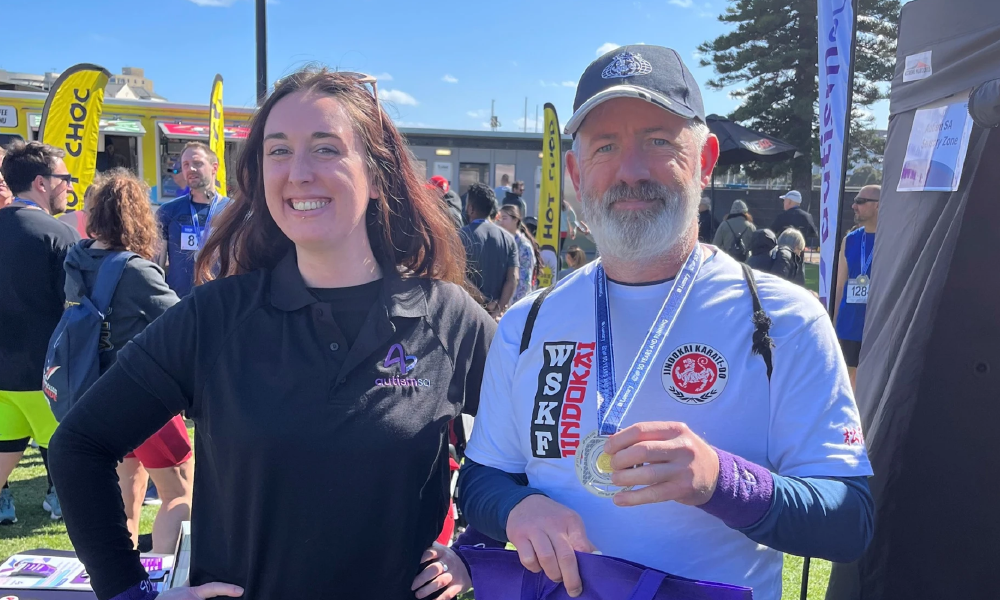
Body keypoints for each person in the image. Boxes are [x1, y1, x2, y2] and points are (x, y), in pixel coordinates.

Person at [49, 68, 491, 600]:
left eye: (326, 148)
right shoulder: (215, 318)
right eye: (278, 152)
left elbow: (534, 449)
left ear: (377, 177)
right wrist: (128, 592)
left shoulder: (447, 317)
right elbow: (79, 446)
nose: (298, 172)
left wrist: (478, 549)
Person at [457, 45, 873, 600]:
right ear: (577, 174)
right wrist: (518, 506)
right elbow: (483, 479)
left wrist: (722, 482)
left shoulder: (783, 319)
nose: (631, 171)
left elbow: (851, 521)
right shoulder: (527, 322)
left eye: (658, 141)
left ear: (705, 161)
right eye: (606, 147)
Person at [61, 169, 194, 554]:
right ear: (138, 218)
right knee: (178, 492)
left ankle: (125, 583)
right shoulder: (136, 270)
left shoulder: (76, 260)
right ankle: (167, 574)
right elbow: (183, 325)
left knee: (126, 496)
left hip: (94, 396)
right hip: (142, 394)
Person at [0, 141, 79, 524]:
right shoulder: (57, 234)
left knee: (5, 448)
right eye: (64, 178)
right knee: (68, 452)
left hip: (4, 374)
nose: (68, 185)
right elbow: (77, 304)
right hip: (45, 372)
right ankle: (65, 503)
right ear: (41, 183)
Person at [154, 142, 230, 298]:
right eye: (186, 165)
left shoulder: (233, 211)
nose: (191, 169)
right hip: (179, 304)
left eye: (197, 163)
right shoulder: (168, 211)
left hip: (221, 302)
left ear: (214, 168)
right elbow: (156, 266)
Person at [834, 185, 880, 390]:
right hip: (849, 324)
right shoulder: (850, 240)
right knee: (844, 383)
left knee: (869, 385)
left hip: (876, 325)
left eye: (860, 202)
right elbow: (840, 285)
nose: (854, 206)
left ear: (878, 206)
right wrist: (834, 323)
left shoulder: (891, 239)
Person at [460, 182, 519, 319]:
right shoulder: (508, 239)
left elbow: (459, 277)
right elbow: (513, 278)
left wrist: (485, 301)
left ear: (470, 208)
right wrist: (497, 310)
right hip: (496, 319)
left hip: (468, 314)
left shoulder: (460, 237)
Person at [497, 204, 538, 304]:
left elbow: (525, 282)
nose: (500, 222)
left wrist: (514, 305)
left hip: (516, 304)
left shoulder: (524, 246)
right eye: (499, 219)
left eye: (504, 218)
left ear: (515, 220)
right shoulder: (503, 242)